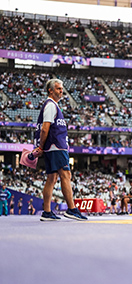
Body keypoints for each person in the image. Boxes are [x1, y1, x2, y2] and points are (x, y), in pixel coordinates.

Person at [31, 79, 87, 221]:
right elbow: (45, 128)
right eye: (58, 89)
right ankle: (72, 209)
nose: (61, 91)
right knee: (66, 174)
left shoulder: (52, 106)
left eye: (62, 89)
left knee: (52, 178)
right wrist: (41, 147)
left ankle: (47, 212)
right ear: (50, 90)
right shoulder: (50, 105)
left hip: (52, 146)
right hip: (56, 146)